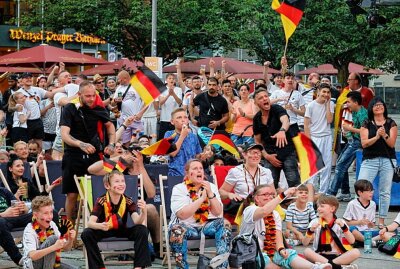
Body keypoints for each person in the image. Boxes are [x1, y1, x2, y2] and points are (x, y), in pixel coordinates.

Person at [60, 81, 116, 221]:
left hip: (94, 155)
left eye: (93, 95)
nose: (91, 99)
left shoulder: (98, 108)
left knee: (98, 191)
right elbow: (65, 135)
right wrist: (80, 144)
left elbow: (110, 127)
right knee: (72, 194)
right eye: (87, 96)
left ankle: (98, 224)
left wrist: (112, 144)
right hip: (73, 155)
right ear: (79, 95)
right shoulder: (70, 108)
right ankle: (70, 230)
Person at [240, 184, 331, 269]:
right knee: (264, 259)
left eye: (271, 194)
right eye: (265, 194)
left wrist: (281, 249)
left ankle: (314, 267)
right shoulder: (250, 210)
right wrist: (284, 194)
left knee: (289, 254)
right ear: (256, 198)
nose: (269, 197)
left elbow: (278, 235)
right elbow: (264, 211)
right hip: (250, 253)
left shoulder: (275, 214)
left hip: (270, 251)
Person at [81, 170, 151, 269]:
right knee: (86, 233)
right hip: (104, 230)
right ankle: (99, 267)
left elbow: (137, 221)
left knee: (142, 229)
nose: (121, 184)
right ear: (107, 186)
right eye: (117, 181)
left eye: (123, 181)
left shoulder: (128, 200)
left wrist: (144, 212)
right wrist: (100, 226)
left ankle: (138, 267)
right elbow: (90, 223)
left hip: (122, 230)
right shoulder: (101, 200)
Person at [169, 159, 231, 269]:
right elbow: (182, 214)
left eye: (201, 168)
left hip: (206, 226)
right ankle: (182, 267)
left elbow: (218, 212)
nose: (199, 171)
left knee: (224, 224)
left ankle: (221, 266)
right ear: (187, 173)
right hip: (186, 226)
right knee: (176, 230)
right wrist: (201, 199)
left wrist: (210, 194)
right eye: (195, 168)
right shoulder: (179, 188)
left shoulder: (211, 186)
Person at [358, 97, 397, 228]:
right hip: (370, 160)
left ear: (384, 108)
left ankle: (381, 221)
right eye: (375, 105)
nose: (379, 107)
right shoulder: (366, 123)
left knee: (385, 191)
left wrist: (385, 134)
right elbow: (364, 144)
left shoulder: (391, 123)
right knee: (362, 187)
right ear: (371, 109)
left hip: (387, 160)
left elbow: (391, 144)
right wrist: (376, 136)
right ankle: (361, 219)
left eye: (381, 105)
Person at [253, 88, 300, 189]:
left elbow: (285, 121)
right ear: (256, 102)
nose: (265, 99)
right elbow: (257, 141)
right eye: (261, 98)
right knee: (269, 187)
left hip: (287, 152)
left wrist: (282, 130)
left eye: (266, 96)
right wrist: (267, 156)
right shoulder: (256, 118)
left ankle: (297, 204)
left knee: (294, 184)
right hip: (270, 155)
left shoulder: (277, 108)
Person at [327, 91, 368, 200]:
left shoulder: (363, 114)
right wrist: (348, 132)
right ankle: (344, 191)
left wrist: (350, 129)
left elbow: (365, 131)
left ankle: (332, 192)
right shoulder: (354, 111)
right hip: (353, 140)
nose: (347, 104)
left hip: (358, 142)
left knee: (340, 165)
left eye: (349, 102)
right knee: (341, 163)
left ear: (355, 102)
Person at [303, 195, 360, 269]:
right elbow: (305, 243)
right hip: (319, 255)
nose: (318, 209)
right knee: (307, 251)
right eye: (318, 206)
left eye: (322, 206)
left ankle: (328, 265)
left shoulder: (340, 222)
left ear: (332, 209)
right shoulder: (315, 222)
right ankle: (339, 267)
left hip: (337, 256)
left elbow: (352, 241)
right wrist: (310, 231)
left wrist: (344, 228)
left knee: (356, 252)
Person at [219, 143, 274, 215]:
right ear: (244, 154)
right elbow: (221, 192)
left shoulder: (266, 172)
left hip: (264, 207)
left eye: (258, 153)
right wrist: (229, 194)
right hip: (244, 208)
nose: (256, 155)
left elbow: (273, 193)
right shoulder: (236, 171)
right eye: (253, 152)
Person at [22, 196, 76, 269]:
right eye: (46, 213)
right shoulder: (29, 230)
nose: (50, 217)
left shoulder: (52, 224)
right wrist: (54, 247)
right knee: (52, 239)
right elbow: (32, 256)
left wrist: (70, 239)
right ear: (35, 215)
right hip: (34, 266)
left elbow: (66, 249)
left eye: (51, 212)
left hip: (51, 263)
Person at [304, 83, 334, 194]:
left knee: (326, 167)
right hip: (314, 137)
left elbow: (330, 121)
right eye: (324, 92)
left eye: (328, 92)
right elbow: (306, 125)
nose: (325, 94)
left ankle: (323, 193)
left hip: (326, 137)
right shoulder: (311, 105)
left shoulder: (330, 104)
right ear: (318, 92)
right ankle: (311, 193)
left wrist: (327, 105)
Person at [112, 70, 147, 146]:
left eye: (119, 79)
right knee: (125, 143)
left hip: (136, 119)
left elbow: (147, 101)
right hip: (124, 119)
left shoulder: (138, 86)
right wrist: (115, 100)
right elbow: (112, 102)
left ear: (125, 78)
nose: (118, 81)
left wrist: (141, 113)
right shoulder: (119, 88)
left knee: (137, 143)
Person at [165, 108, 202, 176]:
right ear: (172, 121)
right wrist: (182, 135)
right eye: (179, 117)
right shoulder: (169, 134)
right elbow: (172, 153)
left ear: (188, 120)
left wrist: (203, 156)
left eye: (185, 117)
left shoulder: (194, 137)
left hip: (192, 175)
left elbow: (197, 156)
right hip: (175, 174)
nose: (183, 120)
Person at [0, 186, 30, 266]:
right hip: (2, 222)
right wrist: (3, 214)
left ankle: (50, 253)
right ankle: (19, 259)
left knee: (41, 213)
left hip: (12, 220)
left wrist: (23, 209)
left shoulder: (3, 191)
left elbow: (17, 204)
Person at [342, 180, 377, 244]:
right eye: (369, 191)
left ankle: (364, 241)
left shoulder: (373, 204)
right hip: (356, 231)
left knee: (385, 232)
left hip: (367, 232)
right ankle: (369, 241)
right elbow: (345, 222)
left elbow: (372, 224)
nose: (371, 193)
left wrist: (371, 224)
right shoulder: (352, 204)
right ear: (360, 192)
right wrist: (359, 222)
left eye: (372, 190)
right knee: (351, 229)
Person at [158, 73, 183, 139]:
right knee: (163, 139)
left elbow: (179, 102)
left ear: (175, 80)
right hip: (164, 118)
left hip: (175, 119)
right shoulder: (162, 89)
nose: (171, 80)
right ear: (166, 80)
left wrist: (173, 93)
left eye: (173, 78)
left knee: (175, 138)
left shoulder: (178, 89)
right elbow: (161, 102)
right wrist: (168, 94)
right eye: (169, 78)